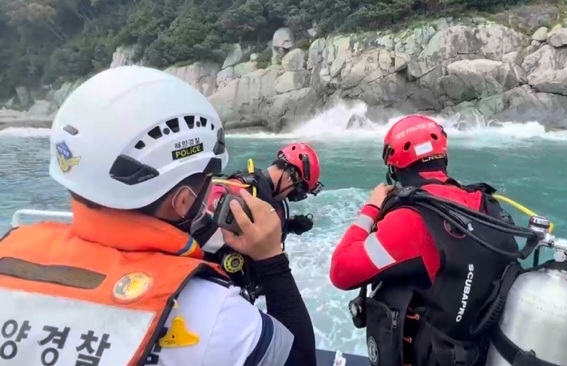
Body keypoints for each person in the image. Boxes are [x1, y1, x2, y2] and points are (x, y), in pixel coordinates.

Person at [0, 66, 315, 366]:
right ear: (182, 201)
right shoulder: (216, 316)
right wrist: (272, 260)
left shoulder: (9, 252)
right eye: (210, 181)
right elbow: (300, 358)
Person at [329, 115, 520, 366]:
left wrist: (372, 207)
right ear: (443, 157)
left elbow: (341, 271)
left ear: (393, 169)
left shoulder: (412, 220)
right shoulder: (488, 207)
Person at [207, 143, 324, 245]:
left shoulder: (270, 196)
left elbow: (262, 228)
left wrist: (290, 225)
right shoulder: (240, 189)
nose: (290, 196)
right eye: (296, 192)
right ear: (291, 177)